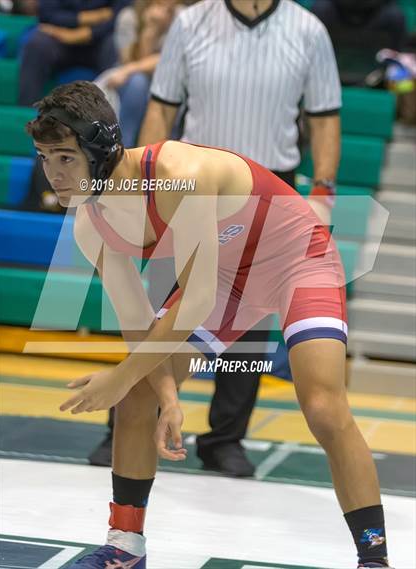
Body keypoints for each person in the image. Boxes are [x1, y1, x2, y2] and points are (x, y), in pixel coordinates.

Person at [26, 80, 392, 569]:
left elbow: (193, 298)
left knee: (323, 405)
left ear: (101, 148)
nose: (53, 173)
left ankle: (374, 557)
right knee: (139, 395)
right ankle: (124, 546)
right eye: (45, 157)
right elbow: (138, 327)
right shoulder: (92, 224)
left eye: (66, 157)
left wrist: (118, 377)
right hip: (224, 279)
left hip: (295, 260)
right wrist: (168, 396)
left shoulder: (179, 172)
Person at [139, 0, 342, 476]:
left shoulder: (308, 30)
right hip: (189, 184)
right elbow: (161, 108)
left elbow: (325, 117)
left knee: (248, 324)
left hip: (270, 189)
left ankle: (224, 439)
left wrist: (324, 191)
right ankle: (127, 421)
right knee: (157, 311)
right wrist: (149, 186)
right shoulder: (191, 23)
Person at [97, 0, 183, 148]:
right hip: (134, 80)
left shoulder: (184, 17)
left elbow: (172, 61)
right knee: (138, 82)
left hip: (168, 77)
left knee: (171, 85)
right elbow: (128, 60)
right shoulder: (129, 17)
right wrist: (150, 32)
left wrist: (130, 69)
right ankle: (125, 148)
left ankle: (167, 152)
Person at [19, 0, 130, 107]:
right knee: (36, 43)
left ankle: (110, 119)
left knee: (115, 44)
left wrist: (85, 34)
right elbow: (47, 13)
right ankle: (26, 113)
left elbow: (120, 15)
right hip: (60, 36)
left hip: (100, 40)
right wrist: (94, 16)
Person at [311, 0, 407, 52]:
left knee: (396, 17)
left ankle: (394, 71)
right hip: (339, 10)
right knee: (320, 8)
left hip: (374, 11)